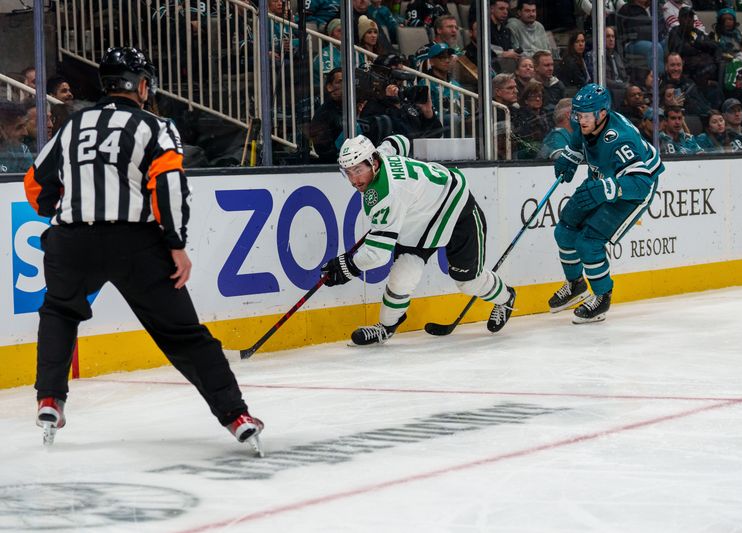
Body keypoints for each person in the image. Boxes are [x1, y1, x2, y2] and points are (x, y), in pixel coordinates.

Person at [23, 47, 264, 454]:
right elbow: (168, 186)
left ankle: (50, 399)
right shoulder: (157, 126)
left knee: (60, 312)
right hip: (135, 242)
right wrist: (175, 243)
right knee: (185, 336)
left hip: (70, 241)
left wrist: (64, 212)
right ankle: (236, 416)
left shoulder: (73, 124)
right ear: (143, 85)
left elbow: (35, 184)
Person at [321, 134, 516, 344]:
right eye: (348, 173)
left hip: (457, 211)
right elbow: (399, 141)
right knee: (404, 273)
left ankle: (506, 298)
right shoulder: (381, 155)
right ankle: (385, 328)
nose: (354, 180)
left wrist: (346, 266)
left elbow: (377, 255)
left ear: (373, 162)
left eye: (358, 171)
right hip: (421, 220)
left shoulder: (388, 193)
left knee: (468, 282)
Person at [549, 83, 663, 323]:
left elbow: (640, 183)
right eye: (577, 114)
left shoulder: (620, 140)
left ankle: (602, 298)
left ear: (602, 113)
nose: (580, 120)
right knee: (564, 230)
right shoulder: (585, 121)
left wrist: (606, 189)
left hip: (632, 189)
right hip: (602, 178)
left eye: (586, 115)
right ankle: (576, 285)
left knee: (588, 242)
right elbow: (579, 145)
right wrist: (569, 158)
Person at [0, 100, 34, 173]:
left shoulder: (22, 151)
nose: (26, 133)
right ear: (1, 129)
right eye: (19, 127)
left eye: (24, 126)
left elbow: (30, 181)